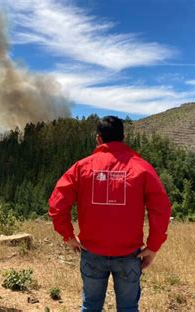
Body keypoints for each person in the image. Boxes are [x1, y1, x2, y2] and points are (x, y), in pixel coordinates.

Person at [48, 116, 172, 311]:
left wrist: (68, 235)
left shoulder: (82, 167)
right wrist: (154, 245)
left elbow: (57, 204)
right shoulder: (141, 167)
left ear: (98, 139)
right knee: (128, 308)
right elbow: (161, 208)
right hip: (129, 255)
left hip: (91, 253)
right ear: (123, 137)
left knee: (90, 306)